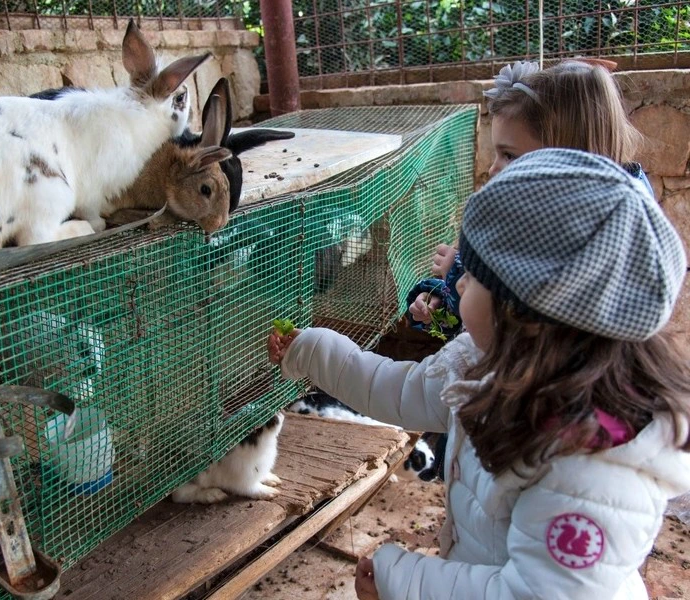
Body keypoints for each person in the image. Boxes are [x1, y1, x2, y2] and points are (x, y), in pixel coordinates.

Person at [268, 149, 690, 599]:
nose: (459, 283)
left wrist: (406, 582)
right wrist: (311, 351)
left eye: (476, 274)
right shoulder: (490, 360)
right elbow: (399, 390)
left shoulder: (593, 467)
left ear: (525, 308)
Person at [407, 59, 653, 336]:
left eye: (509, 155)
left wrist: (458, 273)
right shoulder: (557, 207)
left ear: (565, 153)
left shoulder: (591, 234)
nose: (492, 169)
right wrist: (439, 302)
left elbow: (512, 324)